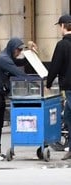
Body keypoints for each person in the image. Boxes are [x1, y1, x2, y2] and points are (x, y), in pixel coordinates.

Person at [0, 37, 27, 160]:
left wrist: (31, 54)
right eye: (18, 50)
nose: (19, 53)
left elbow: (20, 63)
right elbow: (19, 73)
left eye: (21, 50)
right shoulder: (3, 59)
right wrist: (31, 80)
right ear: (12, 48)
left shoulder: (8, 57)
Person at [46, 14, 71, 159]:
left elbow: (55, 66)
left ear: (63, 26)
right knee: (67, 115)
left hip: (69, 86)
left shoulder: (62, 45)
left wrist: (48, 83)